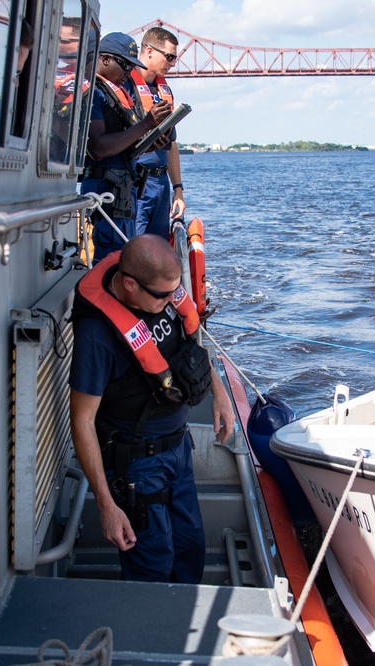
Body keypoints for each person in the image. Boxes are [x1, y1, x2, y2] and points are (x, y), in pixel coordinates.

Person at [69, 234, 235, 583]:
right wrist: (105, 504)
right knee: (152, 569)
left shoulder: (162, 296)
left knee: (191, 551)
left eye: (175, 292)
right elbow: (82, 422)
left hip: (179, 451)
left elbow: (189, 346)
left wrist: (218, 393)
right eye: (163, 295)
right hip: (140, 469)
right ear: (130, 284)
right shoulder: (96, 336)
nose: (171, 300)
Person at [82, 32, 171, 263]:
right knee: (111, 260)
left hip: (122, 192)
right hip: (107, 191)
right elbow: (98, 148)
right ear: (105, 59)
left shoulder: (113, 94)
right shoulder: (93, 94)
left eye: (132, 66)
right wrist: (146, 124)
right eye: (125, 65)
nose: (128, 73)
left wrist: (151, 144)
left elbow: (122, 145)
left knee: (122, 257)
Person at [127, 27, 186, 238]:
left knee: (157, 251)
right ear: (149, 51)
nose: (172, 63)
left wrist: (177, 189)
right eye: (169, 57)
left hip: (161, 184)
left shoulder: (163, 91)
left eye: (175, 58)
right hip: (136, 183)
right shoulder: (126, 85)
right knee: (134, 249)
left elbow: (171, 144)